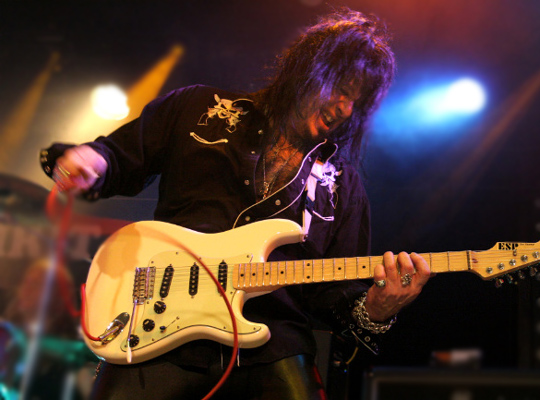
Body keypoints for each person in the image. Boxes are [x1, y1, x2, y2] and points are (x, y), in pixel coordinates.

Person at [39, 8, 432, 400]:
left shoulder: (340, 183)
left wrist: (376, 310)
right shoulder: (201, 109)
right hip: (156, 327)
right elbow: (119, 156)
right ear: (307, 70)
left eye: (357, 102)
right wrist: (92, 160)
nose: (345, 108)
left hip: (272, 347)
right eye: (342, 89)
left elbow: (336, 295)